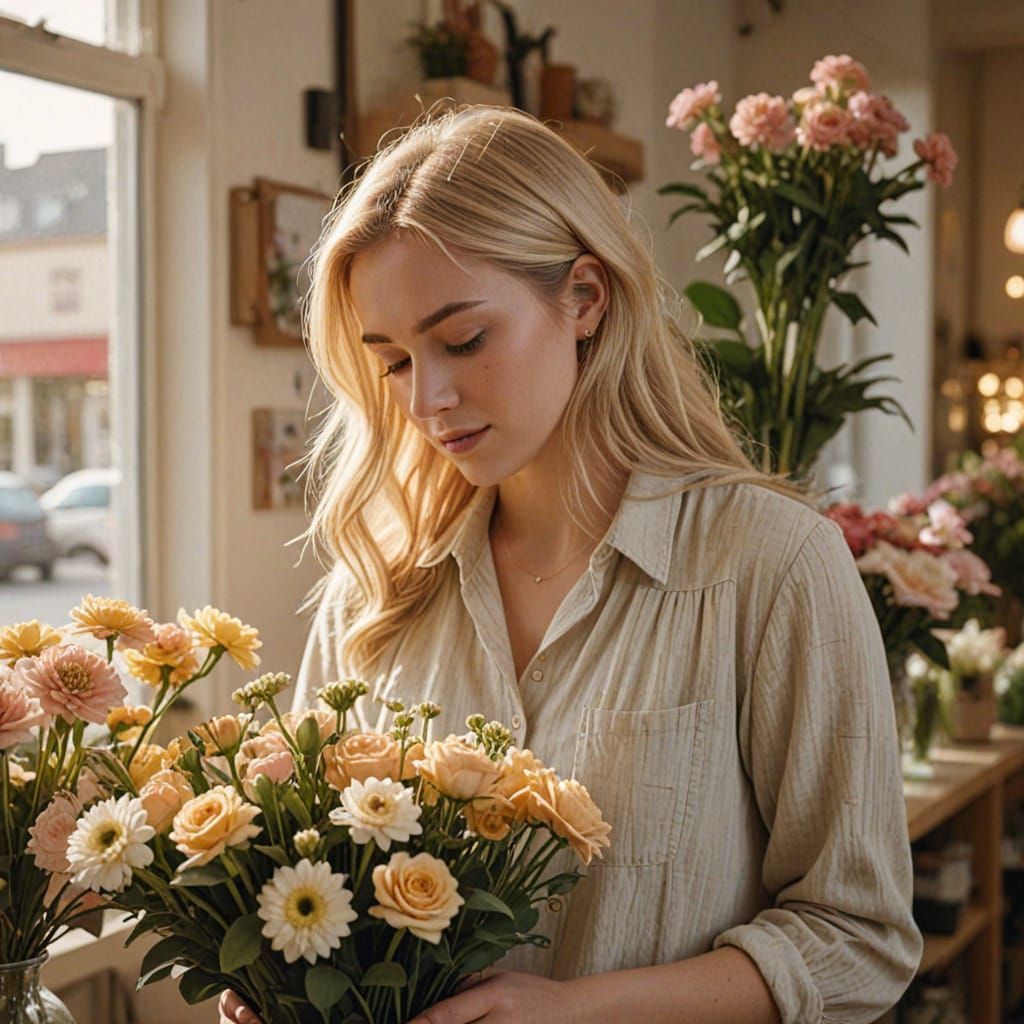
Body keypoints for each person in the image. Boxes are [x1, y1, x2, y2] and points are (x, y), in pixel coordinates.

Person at [219, 105, 921, 1024]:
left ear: (584, 296)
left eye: (463, 340)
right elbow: (304, 882)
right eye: (391, 360)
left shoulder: (771, 565)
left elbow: (858, 939)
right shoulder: (374, 592)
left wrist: (582, 1009)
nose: (429, 398)